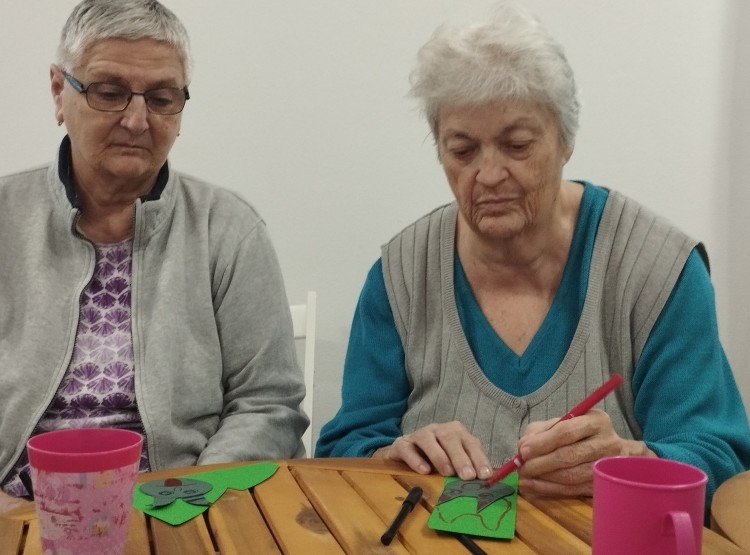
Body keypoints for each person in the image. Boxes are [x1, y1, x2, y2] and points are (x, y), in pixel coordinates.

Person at [316, 2, 750, 509]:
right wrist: (393, 453)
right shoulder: (401, 277)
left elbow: (721, 459)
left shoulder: (658, 271)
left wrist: (631, 462)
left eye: (517, 145)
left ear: (565, 141)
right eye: (462, 150)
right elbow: (343, 451)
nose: (489, 174)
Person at [0, 0, 308, 514]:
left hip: (182, 506)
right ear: (59, 91)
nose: (137, 120)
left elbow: (268, 404)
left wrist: (185, 502)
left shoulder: (227, 228)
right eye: (109, 92)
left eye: (162, 98)